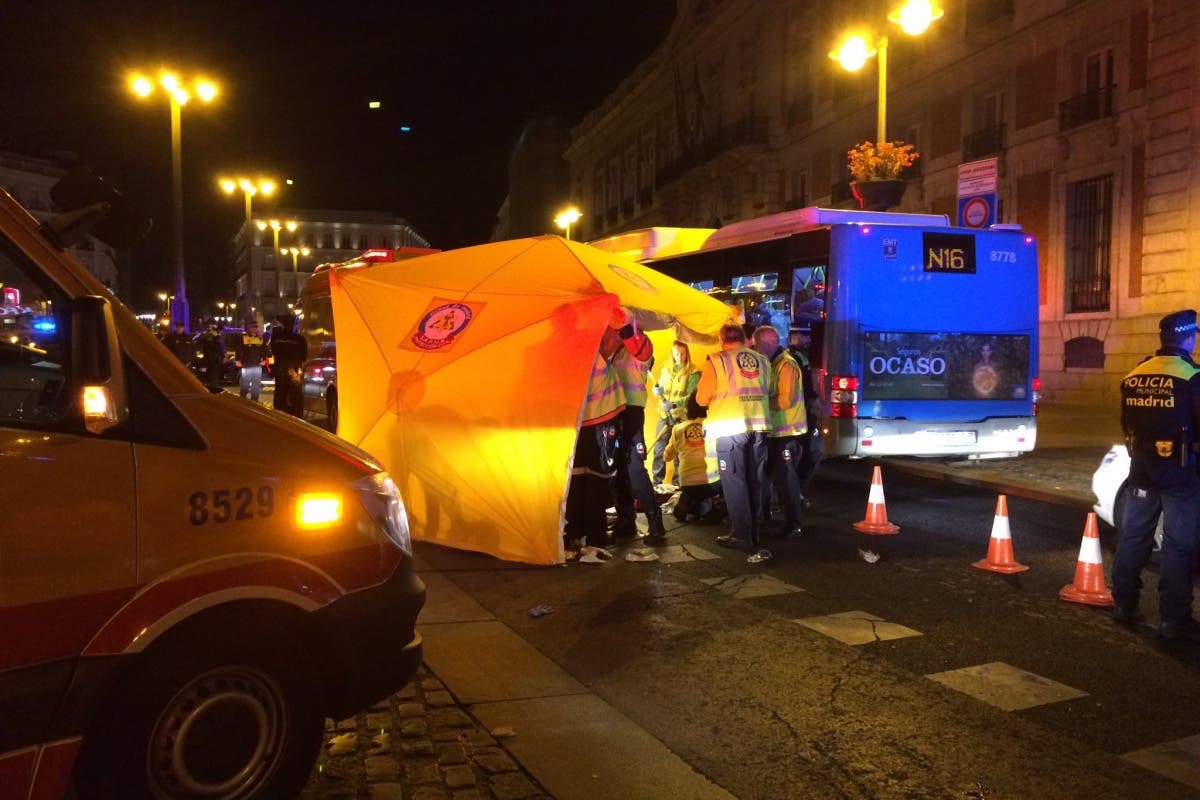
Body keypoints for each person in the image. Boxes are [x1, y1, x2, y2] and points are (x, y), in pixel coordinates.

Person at [1111, 309, 1200, 640]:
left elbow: (1126, 423)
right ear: (1188, 338)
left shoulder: (1135, 375)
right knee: (1178, 544)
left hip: (1142, 471)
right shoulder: (1191, 376)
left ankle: (1123, 604)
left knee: (1134, 537)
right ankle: (1173, 619)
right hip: (1180, 473)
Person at [695, 321, 772, 563]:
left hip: (730, 428)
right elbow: (767, 388)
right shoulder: (761, 359)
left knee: (734, 483)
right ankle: (755, 531)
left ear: (722, 340)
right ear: (743, 338)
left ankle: (741, 534)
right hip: (758, 426)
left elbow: (701, 397)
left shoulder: (717, 360)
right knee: (754, 480)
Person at [564, 310, 627, 550]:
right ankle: (596, 536)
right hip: (601, 422)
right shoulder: (596, 354)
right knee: (599, 480)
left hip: (579, 424)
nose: (614, 341)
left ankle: (574, 534)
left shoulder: (571, 352)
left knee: (578, 481)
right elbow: (616, 342)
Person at [609, 307, 667, 543]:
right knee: (617, 468)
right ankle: (626, 518)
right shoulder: (618, 351)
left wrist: (621, 320)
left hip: (631, 411)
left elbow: (635, 344)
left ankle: (655, 522)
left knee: (633, 467)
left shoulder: (642, 346)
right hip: (613, 411)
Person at [752, 325, 807, 540]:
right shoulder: (773, 363)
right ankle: (769, 516)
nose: (755, 350)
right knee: (771, 476)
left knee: (786, 480)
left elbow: (785, 400)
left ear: (765, 345)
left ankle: (794, 524)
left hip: (787, 433)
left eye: (757, 346)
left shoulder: (786, 366)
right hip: (776, 432)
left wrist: (759, 402)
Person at [664, 391, 722, 523]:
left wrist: (668, 456)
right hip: (710, 482)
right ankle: (707, 507)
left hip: (686, 481)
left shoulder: (678, 429)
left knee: (693, 491)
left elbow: (668, 455)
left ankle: (690, 500)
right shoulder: (713, 424)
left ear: (687, 408)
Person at [651, 340, 700, 486]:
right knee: (659, 449)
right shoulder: (666, 369)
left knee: (680, 452)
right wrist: (656, 392)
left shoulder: (693, 371)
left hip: (681, 418)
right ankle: (656, 485)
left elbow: (692, 396)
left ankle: (679, 484)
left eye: (682, 353)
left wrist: (673, 404)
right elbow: (661, 390)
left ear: (687, 353)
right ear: (672, 354)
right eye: (676, 353)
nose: (679, 356)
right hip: (665, 416)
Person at [789, 334, 825, 511]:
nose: (808, 339)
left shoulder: (799, 356)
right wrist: (813, 400)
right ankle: (794, 494)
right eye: (803, 335)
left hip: (803, 414)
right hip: (798, 415)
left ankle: (795, 492)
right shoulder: (793, 358)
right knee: (810, 452)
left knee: (812, 452)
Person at [270, 314, 307, 418]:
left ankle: (279, 417)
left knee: (280, 395)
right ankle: (297, 418)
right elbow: (304, 357)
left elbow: (272, 353)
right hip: (295, 371)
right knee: (296, 397)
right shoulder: (300, 339)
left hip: (280, 370)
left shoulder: (277, 338)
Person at [236, 321, 267, 403]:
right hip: (247, 365)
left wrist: (264, 359)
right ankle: (242, 400)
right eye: (252, 327)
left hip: (257, 365)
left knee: (256, 385)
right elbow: (238, 349)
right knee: (245, 384)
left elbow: (264, 350)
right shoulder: (244, 338)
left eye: (255, 327)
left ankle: (255, 401)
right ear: (249, 328)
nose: (254, 329)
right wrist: (238, 360)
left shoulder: (260, 338)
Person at [197, 321, 225, 391]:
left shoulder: (217, 335)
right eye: (210, 326)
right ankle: (212, 387)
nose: (212, 328)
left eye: (213, 326)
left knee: (215, 375)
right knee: (210, 375)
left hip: (216, 359)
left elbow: (220, 346)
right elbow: (203, 345)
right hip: (210, 359)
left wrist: (223, 356)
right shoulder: (206, 335)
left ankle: (214, 386)